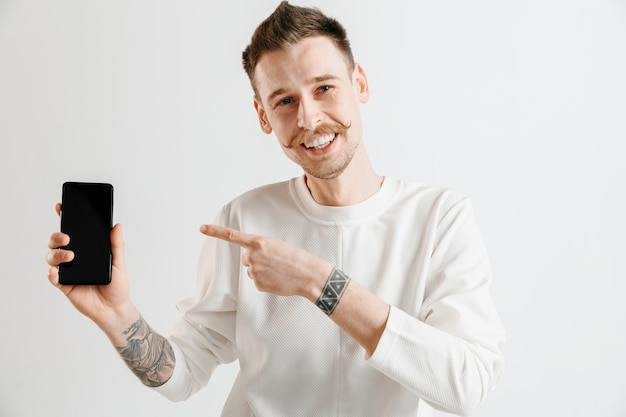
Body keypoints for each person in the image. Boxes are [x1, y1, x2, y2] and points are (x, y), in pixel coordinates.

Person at [46, 2, 505, 416]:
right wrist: (118, 316)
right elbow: (183, 374)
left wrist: (317, 281)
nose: (308, 118)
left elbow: (467, 385)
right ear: (263, 116)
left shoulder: (439, 218)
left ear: (359, 83)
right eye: (285, 101)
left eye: (324, 87)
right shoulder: (243, 220)